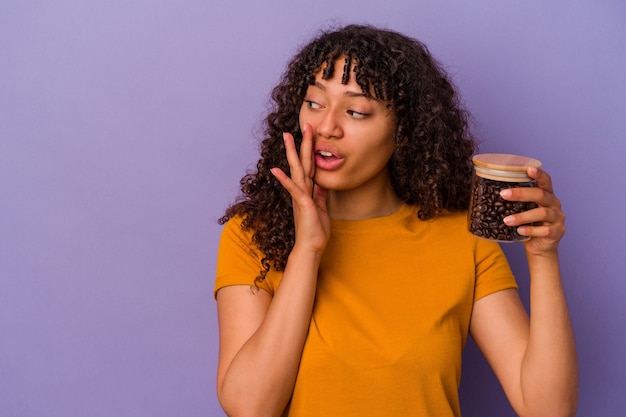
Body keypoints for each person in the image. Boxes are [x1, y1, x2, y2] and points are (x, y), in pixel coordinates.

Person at [214, 24, 578, 417]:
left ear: (404, 131)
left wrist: (543, 258)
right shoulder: (254, 234)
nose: (325, 127)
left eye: (356, 111)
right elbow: (249, 407)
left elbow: (547, 409)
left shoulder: (462, 237)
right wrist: (308, 248)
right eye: (315, 103)